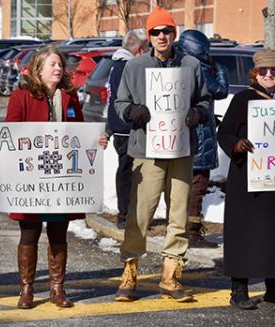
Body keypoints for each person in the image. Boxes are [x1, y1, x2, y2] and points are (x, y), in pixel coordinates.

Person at [0, 46, 107, 310]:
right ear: (38, 69)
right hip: (31, 181)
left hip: (61, 180)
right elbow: (11, 133)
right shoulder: (21, 97)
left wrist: (96, 141)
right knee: (29, 233)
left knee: (58, 233)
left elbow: (81, 134)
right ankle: (26, 290)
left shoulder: (70, 98)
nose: (58, 68)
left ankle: (57, 288)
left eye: (60, 65)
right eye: (52, 64)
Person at [113, 7, 210, 302]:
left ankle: (171, 275)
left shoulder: (190, 65)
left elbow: (205, 100)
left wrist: (198, 113)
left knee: (178, 214)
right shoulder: (136, 66)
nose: (161, 36)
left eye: (166, 30)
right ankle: (129, 272)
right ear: (149, 35)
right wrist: (131, 111)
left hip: (181, 150)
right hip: (146, 149)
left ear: (174, 34)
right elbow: (120, 101)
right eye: (155, 31)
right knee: (140, 214)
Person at [217, 49, 275, 310]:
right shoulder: (243, 99)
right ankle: (238, 290)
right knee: (243, 234)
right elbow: (224, 133)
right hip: (247, 176)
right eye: (264, 70)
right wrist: (236, 144)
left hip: (273, 177)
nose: (269, 74)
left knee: (272, 234)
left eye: (273, 70)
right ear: (255, 73)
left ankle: (273, 288)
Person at [177, 30, 229, 248]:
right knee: (197, 184)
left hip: (191, 134)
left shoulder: (180, 63)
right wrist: (222, 71)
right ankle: (192, 233)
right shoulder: (195, 67)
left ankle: (185, 230)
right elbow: (220, 91)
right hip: (198, 136)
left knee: (190, 185)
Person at [105, 31, 147, 229]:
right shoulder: (128, 67)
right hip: (126, 127)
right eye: (146, 49)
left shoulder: (116, 65)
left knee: (127, 171)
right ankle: (124, 216)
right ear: (138, 49)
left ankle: (127, 214)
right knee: (127, 173)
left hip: (118, 126)